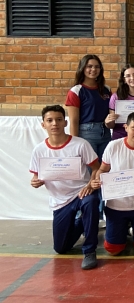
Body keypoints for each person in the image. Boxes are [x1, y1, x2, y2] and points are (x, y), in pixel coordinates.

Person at [29, 105, 101, 270]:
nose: (55, 123)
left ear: (65, 122)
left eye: (59, 119)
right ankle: (82, 223)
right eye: (50, 120)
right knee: (61, 248)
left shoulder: (80, 144)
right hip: (60, 200)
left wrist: (90, 185)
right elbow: (35, 177)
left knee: (91, 202)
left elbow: (96, 168)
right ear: (43, 124)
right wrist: (35, 182)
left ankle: (90, 251)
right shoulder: (39, 150)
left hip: (81, 192)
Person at [93, 110, 134, 256]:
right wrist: (99, 179)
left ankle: (132, 230)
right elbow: (103, 169)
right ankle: (123, 230)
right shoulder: (113, 146)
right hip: (115, 206)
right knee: (113, 250)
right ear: (126, 127)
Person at [65, 54, 111, 159]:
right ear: (82, 68)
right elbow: (74, 121)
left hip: (106, 133)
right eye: (89, 66)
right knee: (90, 167)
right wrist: (75, 144)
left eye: (97, 67)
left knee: (105, 166)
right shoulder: (76, 91)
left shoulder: (106, 89)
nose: (93, 69)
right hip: (87, 134)